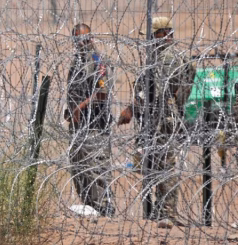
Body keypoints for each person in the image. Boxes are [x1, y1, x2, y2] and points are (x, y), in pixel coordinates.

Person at [119, 16, 196, 224]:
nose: (149, 40)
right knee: (156, 164)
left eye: (152, 35)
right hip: (160, 117)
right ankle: (161, 211)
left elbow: (157, 91)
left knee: (165, 166)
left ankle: (167, 212)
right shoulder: (166, 55)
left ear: (162, 34)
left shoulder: (166, 57)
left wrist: (131, 109)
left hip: (162, 119)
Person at [64, 23, 115, 217]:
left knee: (96, 172)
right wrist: (69, 110)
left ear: (91, 38)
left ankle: (104, 212)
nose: (82, 43)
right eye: (78, 40)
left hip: (95, 126)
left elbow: (102, 93)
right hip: (79, 127)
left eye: (85, 39)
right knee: (80, 172)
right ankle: (90, 211)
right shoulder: (77, 61)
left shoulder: (96, 60)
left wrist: (80, 106)